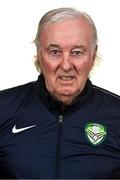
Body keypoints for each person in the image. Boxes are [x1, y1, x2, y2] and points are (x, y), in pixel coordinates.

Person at [0, 7, 120, 179]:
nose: (65, 65)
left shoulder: (117, 114)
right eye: (55, 52)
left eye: (77, 52)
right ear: (39, 55)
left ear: (93, 56)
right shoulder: (3, 109)